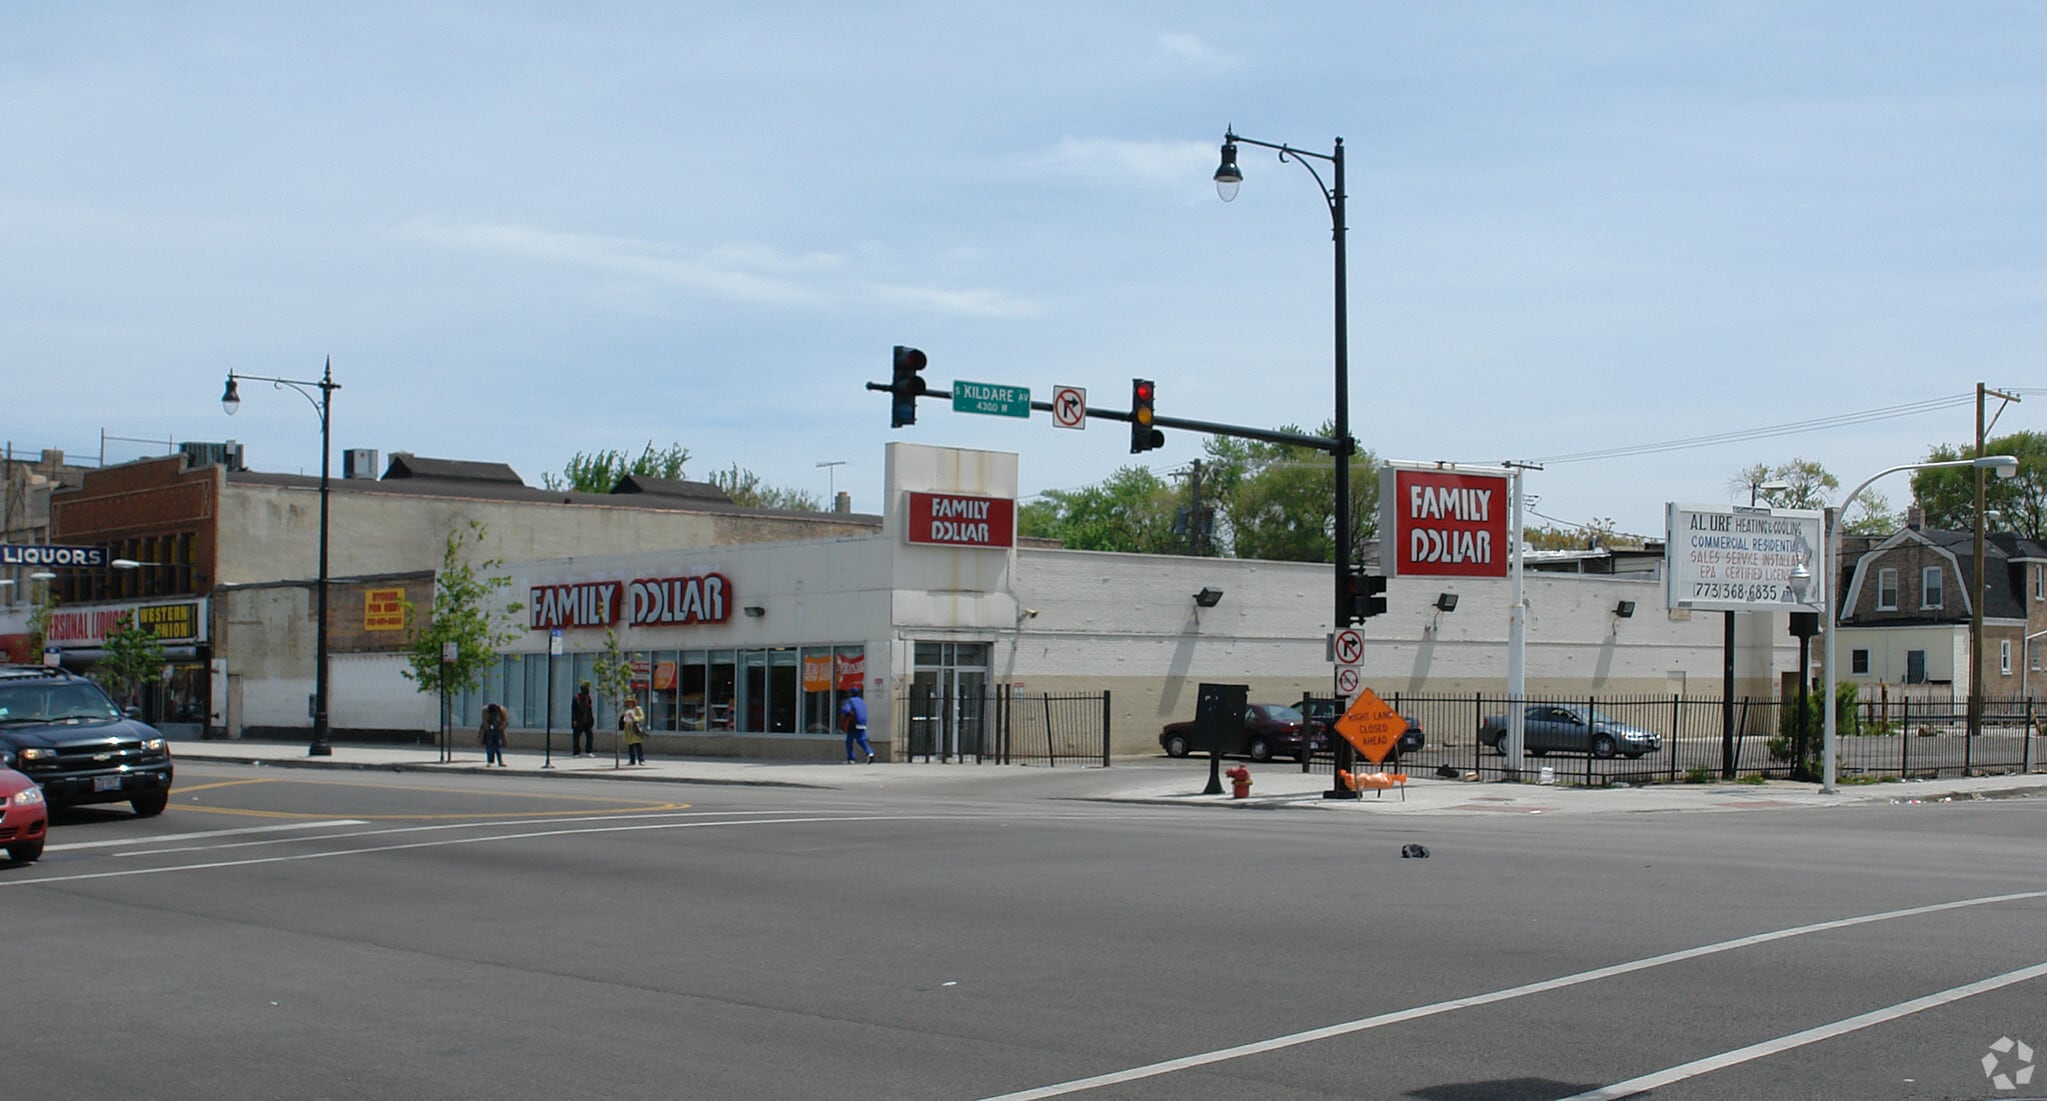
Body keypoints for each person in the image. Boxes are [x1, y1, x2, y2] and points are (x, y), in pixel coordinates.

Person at [839, 687, 873, 764]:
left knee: (849, 741)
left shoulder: (850, 701)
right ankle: (870, 753)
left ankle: (851, 758)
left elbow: (846, 710)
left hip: (853, 724)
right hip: (862, 723)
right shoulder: (862, 701)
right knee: (861, 740)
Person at [619, 696, 647, 766]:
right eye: (628, 702)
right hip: (628, 729)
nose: (629, 703)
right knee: (630, 745)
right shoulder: (626, 709)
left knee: (638, 744)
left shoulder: (637, 709)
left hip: (635, 728)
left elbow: (642, 717)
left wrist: (634, 717)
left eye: (631, 702)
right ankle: (632, 760)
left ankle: (641, 759)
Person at [480, 702, 509, 767]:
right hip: (489, 730)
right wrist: (488, 729)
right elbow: (485, 721)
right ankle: (489, 761)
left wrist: (500, 728)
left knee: (498, 746)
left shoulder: (501, 710)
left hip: (498, 729)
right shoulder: (485, 710)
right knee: (489, 746)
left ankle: (500, 761)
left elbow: (505, 721)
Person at [570, 682, 595, 757]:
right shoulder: (576, 698)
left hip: (587, 720)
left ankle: (588, 751)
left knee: (590, 735)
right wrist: (574, 720)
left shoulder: (588, 698)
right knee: (576, 737)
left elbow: (590, 709)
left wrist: (591, 718)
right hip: (578, 720)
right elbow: (573, 710)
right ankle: (576, 752)